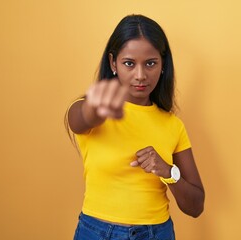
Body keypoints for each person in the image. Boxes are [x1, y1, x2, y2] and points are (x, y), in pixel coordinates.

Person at [65, 14, 205, 240]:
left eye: (150, 63)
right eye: (129, 63)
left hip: (157, 233)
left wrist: (167, 171)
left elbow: (196, 206)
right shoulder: (90, 109)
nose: (140, 76)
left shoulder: (172, 125)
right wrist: (96, 107)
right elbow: (79, 119)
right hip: (97, 232)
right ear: (113, 63)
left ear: (162, 65)